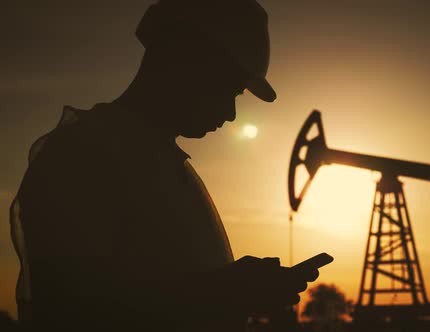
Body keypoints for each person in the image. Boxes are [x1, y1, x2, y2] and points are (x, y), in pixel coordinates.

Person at [10, 0, 319, 331]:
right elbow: (74, 310)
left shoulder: (151, 160)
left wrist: (238, 290)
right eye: (228, 88)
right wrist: (229, 291)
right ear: (184, 60)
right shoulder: (80, 158)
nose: (230, 113)